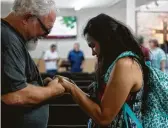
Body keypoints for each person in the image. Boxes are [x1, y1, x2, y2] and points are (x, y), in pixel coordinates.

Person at [58, 14, 149, 127]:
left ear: (106, 40)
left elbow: (104, 117)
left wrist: (71, 88)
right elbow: (99, 104)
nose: (93, 52)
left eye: (93, 45)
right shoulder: (114, 64)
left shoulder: (126, 64)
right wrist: (70, 84)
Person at [1, 0, 65, 128]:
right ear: (27, 18)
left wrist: (40, 87)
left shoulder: (13, 38)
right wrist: (53, 90)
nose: (45, 36)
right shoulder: (8, 40)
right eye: (45, 30)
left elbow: (11, 85)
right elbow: (15, 96)